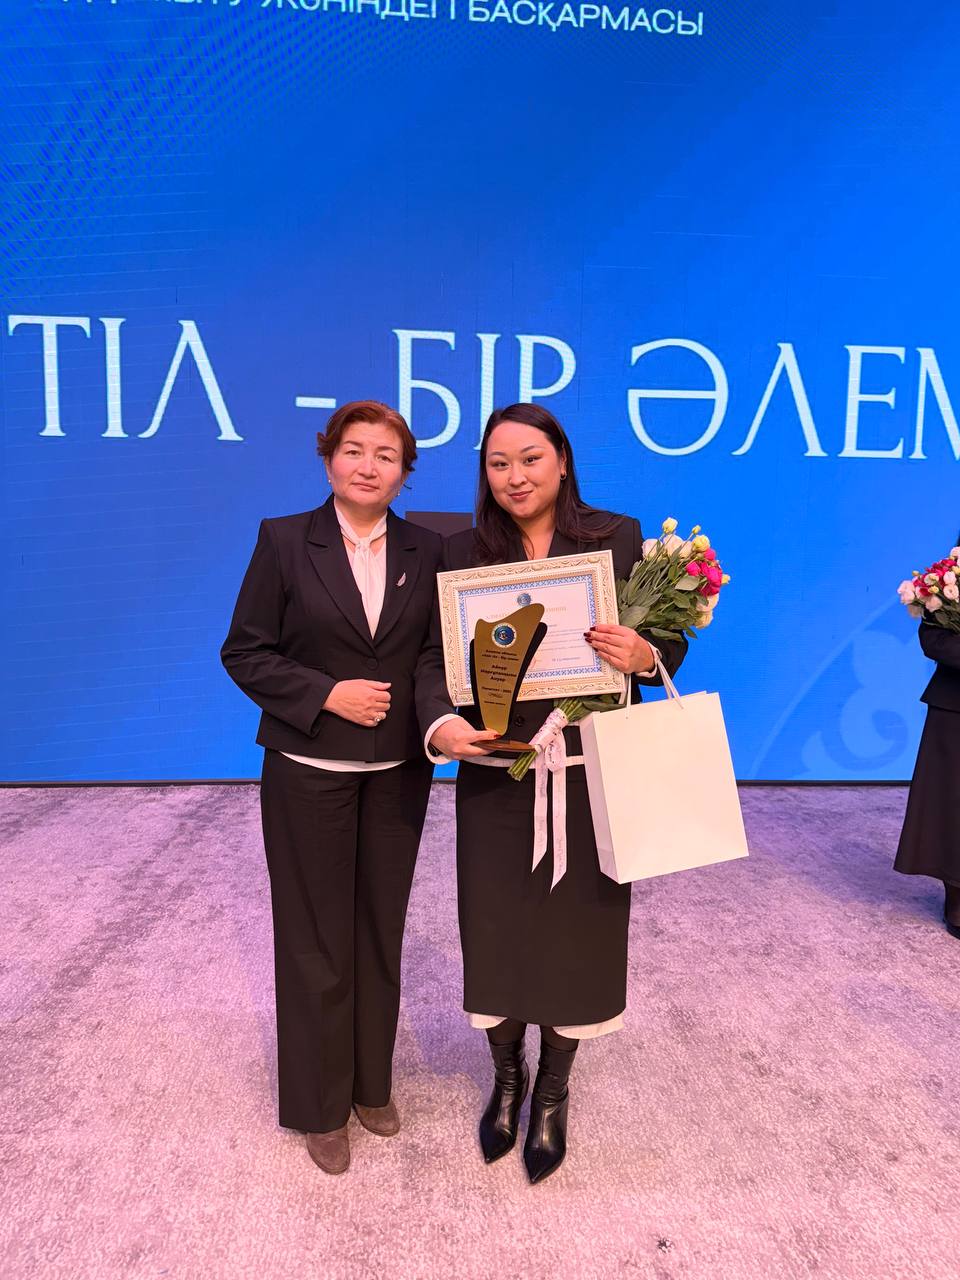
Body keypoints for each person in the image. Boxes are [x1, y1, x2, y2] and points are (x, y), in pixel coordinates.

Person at [415, 402, 688, 1184]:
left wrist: (644, 653)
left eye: (530, 459)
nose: (515, 477)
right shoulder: (459, 550)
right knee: (495, 925)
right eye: (498, 463)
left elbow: (668, 641)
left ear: (562, 460)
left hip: (589, 772)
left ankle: (554, 1090)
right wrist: (441, 724)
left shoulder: (617, 537)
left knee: (580, 931)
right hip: (495, 770)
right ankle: (506, 1077)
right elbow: (432, 658)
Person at [221, 401, 441, 1175]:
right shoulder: (284, 540)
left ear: (404, 472)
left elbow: (433, 658)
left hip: (399, 773)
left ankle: (371, 1086)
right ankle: (320, 1106)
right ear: (328, 459)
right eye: (354, 449)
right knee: (315, 941)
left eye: (386, 454)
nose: (368, 465)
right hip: (308, 769)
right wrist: (325, 694)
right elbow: (245, 653)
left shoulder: (428, 549)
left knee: (379, 932)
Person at [894, 570, 960, 936]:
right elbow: (933, 639)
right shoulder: (950, 578)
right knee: (952, 804)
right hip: (956, 706)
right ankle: (957, 894)